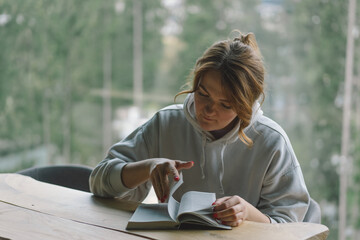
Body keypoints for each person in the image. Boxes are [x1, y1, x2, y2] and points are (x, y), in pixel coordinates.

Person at [90, 31, 314, 226]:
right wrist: (148, 167)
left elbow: (290, 229)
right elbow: (98, 182)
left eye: (225, 104)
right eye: (202, 94)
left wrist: (247, 213)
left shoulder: (271, 142)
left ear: (245, 105)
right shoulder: (166, 123)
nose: (208, 110)